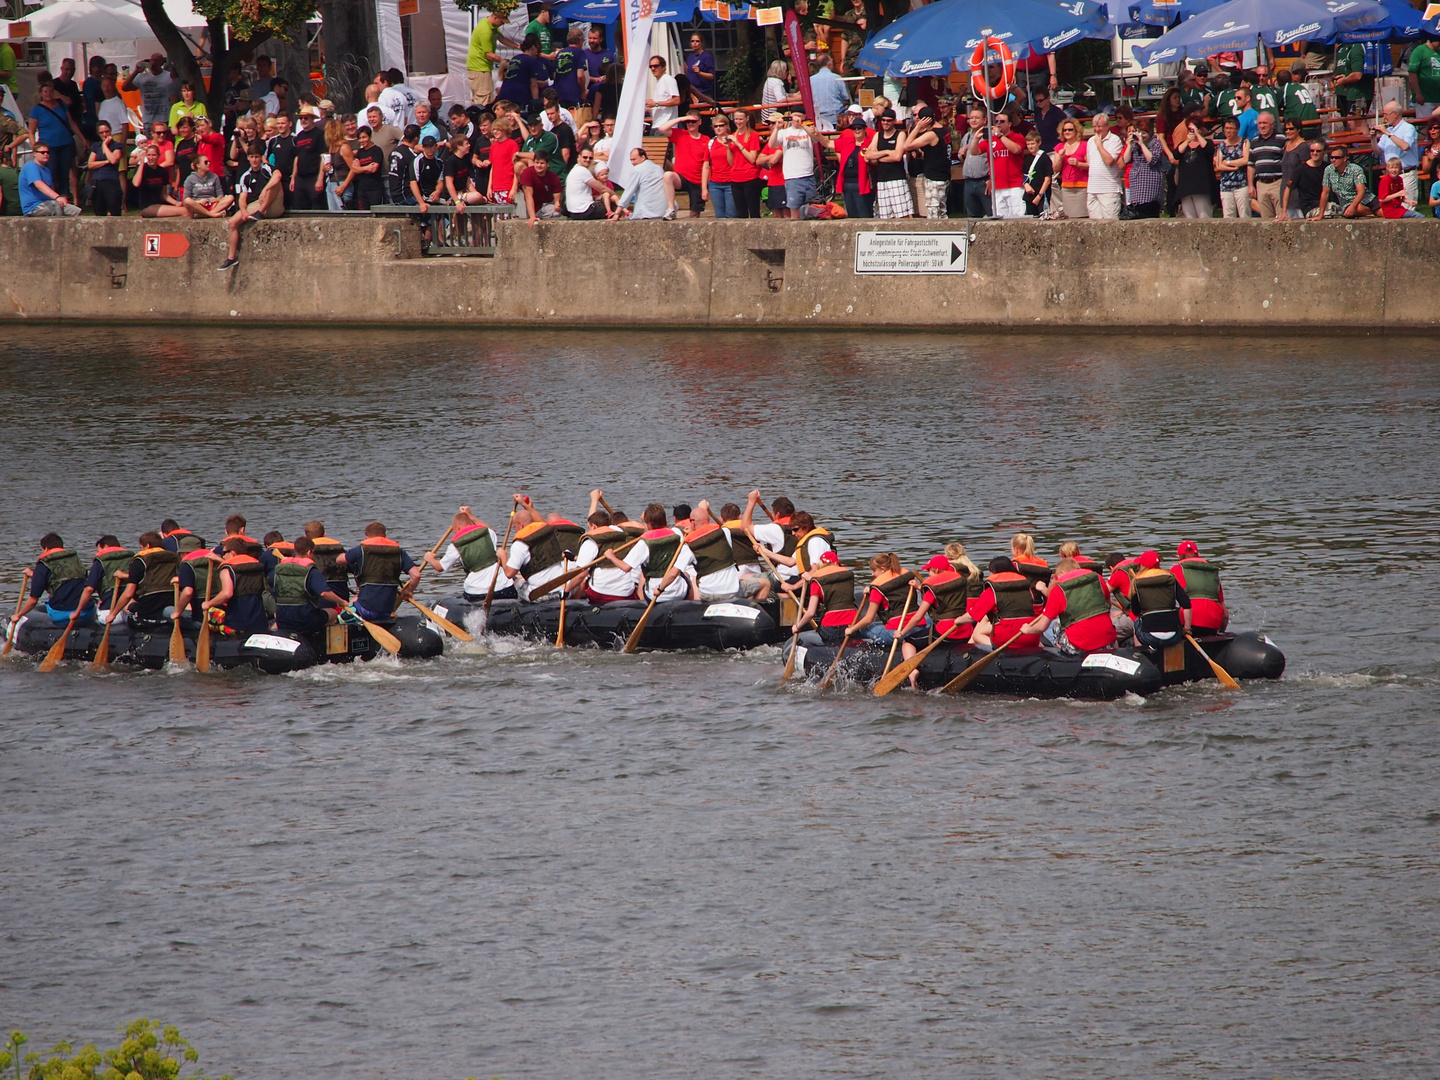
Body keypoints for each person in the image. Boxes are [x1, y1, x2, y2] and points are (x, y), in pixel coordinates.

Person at [1020, 557, 1116, 654]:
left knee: (1054, 625)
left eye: (1056, 578)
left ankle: (1056, 647)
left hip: (1081, 647)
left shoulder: (1059, 589)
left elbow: (1042, 627)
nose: (1057, 581)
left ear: (1062, 572)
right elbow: (1108, 606)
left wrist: (1028, 629)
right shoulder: (1097, 579)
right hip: (1108, 641)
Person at [603, 503, 693, 602]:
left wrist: (611, 556)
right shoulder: (677, 534)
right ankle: (692, 604)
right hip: (679, 592)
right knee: (686, 575)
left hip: (655, 594)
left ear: (649, 524)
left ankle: (641, 604)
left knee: (643, 575)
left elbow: (626, 567)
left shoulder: (644, 543)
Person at [335, 522, 420, 621]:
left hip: (365, 609)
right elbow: (416, 575)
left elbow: (339, 560)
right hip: (387, 609)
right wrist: (409, 590)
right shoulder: (400, 552)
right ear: (385, 536)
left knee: (341, 617)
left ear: (366, 537)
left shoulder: (361, 550)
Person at [221, 145, 284, 270]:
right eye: (251, 157)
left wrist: (265, 190)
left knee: (274, 183)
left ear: (261, 158)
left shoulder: (268, 168)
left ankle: (260, 212)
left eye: (256, 157)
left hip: (274, 204)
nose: (254, 160)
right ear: (248, 158)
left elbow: (278, 176)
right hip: (258, 204)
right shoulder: (245, 176)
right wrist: (243, 211)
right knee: (232, 222)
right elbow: (242, 198)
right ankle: (231, 258)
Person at [14, 533, 95, 627]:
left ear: (46, 549)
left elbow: (33, 600)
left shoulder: (44, 564)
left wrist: (18, 615)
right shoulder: (75, 560)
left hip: (62, 614)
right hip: (86, 612)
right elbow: (65, 579)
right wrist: (34, 575)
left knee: (48, 602)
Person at [963, 557, 1042, 651]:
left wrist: (958, 621)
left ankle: (996, 650)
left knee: (977, 633)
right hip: (1030, 635)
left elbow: (973, 615)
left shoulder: (993, 590)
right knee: (987, 617)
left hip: (1005, 638)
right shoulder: (1026, 587)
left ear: (995, 572)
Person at [841, 553, 919, 647]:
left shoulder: (877, 588)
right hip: (919, 626)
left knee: (863, 628)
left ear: (882, 569)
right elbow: (893, 589)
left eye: (874, 570)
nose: (872, 574)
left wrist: (851, 629)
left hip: (897, 632)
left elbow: (868, 619)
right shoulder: (907, 577)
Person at [271, 536, 346, 633]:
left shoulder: (279, 570)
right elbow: (324, 593)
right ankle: (318, 642)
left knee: (277, 623)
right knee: (333, 613)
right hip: (304, 619)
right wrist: (341, 602)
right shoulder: (311, 571)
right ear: (309, 552)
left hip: (282, 617)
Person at [107, 532, 182, 627]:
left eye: (141, 547)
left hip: (148, 610)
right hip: (170, 602)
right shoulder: (175, 558)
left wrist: (113, 614)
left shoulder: (139, 561)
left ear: (147, 546)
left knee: (126, 601)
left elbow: (129, 593)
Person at [199, 537, 270, 634]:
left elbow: (227, 594)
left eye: (224, 553)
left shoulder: (227, 569)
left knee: (209, 611)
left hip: (236, 626)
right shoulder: (257, 565)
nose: (223, 556)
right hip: (260, 622)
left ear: (232, 552)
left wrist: (208, 603)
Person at [29, 82, 85, 202]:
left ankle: (66, 197)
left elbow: (71, 123)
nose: (48, 94)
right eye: (45, 92)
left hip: (65, 143)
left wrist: (83, 139)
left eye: (50, 91)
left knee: (65, 172)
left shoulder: (61, 105)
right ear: (41, 94)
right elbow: (31, 131)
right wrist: (35, 147)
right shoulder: (37, 110)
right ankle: (53, 198)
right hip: (49, 146)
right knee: (51, 171)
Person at [789, 550, 856, 645]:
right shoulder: (849, 576)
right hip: (852, 624)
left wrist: (797, 626)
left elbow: (811, 613)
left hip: (831, 627)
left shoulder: (817, 581)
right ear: (836, 563)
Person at [660, 111, 713, 217]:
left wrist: (704, 188)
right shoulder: (680, 134)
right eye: (688, 122)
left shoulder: (706, 140)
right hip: (681, 177)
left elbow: (706, 165)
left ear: (699, 122)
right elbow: (662, 128)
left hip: (697, 180)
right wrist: (681, 119)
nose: (690, 124)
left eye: (693, 121)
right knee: (667, 175)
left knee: (694, 214)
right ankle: (671, 208)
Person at [974, 111, 1025, 219]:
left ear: (1009, 124)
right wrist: (976, 138)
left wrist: (1001, 136)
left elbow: (1016, 150)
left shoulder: (1017, 137)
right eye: (996, 121)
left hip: (1014, 185)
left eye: (1002, 121)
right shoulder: (990, 140)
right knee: (999, 218)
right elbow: (974, 152)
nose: (998, 124)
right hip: (996, 186)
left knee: (1018, 216)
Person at [1170, 541, 1227, 634]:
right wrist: (1221, 632)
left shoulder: (1176, 569)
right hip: (1214, 623)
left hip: (1190, 622)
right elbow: (1225, 615)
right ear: (1198, 555)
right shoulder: (1213, 573)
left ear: (1179, 557)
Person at [865, 109, 912, 219]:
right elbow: (868, 156)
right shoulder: (878, 135)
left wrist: (878, 156)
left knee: (902, 214)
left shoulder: (900, 134)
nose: (885, 123)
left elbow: (897, 157)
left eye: (889, 121)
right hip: (881, 180)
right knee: (885, 216)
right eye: (883, 120)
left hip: (897, 179)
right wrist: (886, 152)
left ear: (894, 121)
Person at [1374, 101, 1420, 205]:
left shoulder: (1408, 128)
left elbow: (1405, 146)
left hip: (1406, 174)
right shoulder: (1389, 130)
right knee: (1393, 208)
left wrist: (1388, 133)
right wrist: (1372, 139)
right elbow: (1378, 151)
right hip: (1391, 176)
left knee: (1407, 207)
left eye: (1386, 114)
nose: (1384, 117)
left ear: (1395, 114)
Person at [467, 9, 515, 106]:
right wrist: (503, 61)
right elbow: (489, 54)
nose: (502, 24)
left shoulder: (492, 26)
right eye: (501, 22)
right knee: (484, 100)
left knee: (486, 97)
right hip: (480, 69)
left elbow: (502, 39)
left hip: (482, 69)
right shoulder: (486, 31)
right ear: (495, 18)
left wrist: (518, 46)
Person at [1123, 117, 1167, 218]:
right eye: (1140, 133)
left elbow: (1151, 160)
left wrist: (1142, 144)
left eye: (1144, 133)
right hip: (1136, 182)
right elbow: (1125, 160)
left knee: (1149, 211)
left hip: (1151, 180)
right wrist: (1129, 145)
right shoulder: (1134, 144)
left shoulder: (1155, 143)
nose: (1142, 136)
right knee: (1137, 211)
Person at [1084, 112, 1126, 220]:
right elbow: (1090, 163)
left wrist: (1099, 145)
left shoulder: (1114, 140)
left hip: (1109, 189)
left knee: (1110, 223)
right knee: (1094, 224)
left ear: (1107, 126)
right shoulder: (1090, 141)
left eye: (1099, 126)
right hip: (1092, 189)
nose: (1097, 129)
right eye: (1094, 127)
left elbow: (1109, 161)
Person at [611, 147, 672, 220]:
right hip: (664, 211)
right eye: (631, 160)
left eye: (634, 159)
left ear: (643, 157)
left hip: (647, 213)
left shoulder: (637, 169)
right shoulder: (659, 168)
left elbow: (628, 192)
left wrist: (617, 213)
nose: (632, 163)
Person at [19, 146, 81, 217]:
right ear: (35, 154)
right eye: (42, 152)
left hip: (48, 203)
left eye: (48, 152)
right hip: (34, 207)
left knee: (76, 211)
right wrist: (57, 197)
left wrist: (59, 200)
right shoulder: (31, 166)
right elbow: (39, 185)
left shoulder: (47, 170)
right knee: (62, 210)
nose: (46, 154)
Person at [1318, 144, 1376, 218]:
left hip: (1367, 199)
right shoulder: (1328, 170)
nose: (1333, 160)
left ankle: (1373, 213)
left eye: (1336, 158)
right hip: (1348, 203)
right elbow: (1325, 193)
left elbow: (1361, 192)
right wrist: (1320, 215)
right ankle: (1372, 213)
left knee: (1383, 212)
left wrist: (1353, 206)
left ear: (1345, 158)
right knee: (1358, 209)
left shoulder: (1355, 169)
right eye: (1332, 158)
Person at [834, 114, 875, 219]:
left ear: (865, 129)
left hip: (863, 184)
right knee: (852, 215)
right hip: (847, 184)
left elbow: (875, 161)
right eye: (854, 128)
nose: (857, 130)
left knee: (864, 214)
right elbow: (830, 145)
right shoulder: (848, 142)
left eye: (859, 128)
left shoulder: (870, 143)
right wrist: (815, 134)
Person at [82, 535, 135, 614]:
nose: (98, 553)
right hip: (131, 609)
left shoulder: (99, 562)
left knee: (94, 604)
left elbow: (89, 589)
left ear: (106, 546)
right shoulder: (133, 559)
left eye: (98, 550)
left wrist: (78, 611)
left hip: (109, 610)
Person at [124, 53, 178, 131]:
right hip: (148, 121)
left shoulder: (169, 76)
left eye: (157, 60)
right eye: (152, 60)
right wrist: (136, 71)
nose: (154, 62)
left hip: (165, 119)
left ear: (162, 62)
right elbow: (125, 87)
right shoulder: (142, 77)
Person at [1247, 110, 1285, 219]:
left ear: (1272, 124)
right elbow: (1251, 165)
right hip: (1261, 184)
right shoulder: (1254, 142)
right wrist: (1250, 185)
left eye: (1265, 123)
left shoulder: (1281, 139)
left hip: (1277, 182)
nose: (1262, 126)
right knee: (1266, 219)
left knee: (1281, 217)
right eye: (1260, 123)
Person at [1174, 120, 1214, 218]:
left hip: (1201, 187)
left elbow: (1209, 150)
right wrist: (1188, 140)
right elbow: (1176, 154)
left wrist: (1198, 134)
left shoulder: (1207, 143)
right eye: (1190, 129)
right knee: (1189, 217)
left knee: (1204, 215)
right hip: (1186, 188)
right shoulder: (1184, 145)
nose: (1192, 131)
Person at [84, 121, 125, 216]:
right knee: (99, 211)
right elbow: (90, 164)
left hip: (111, 181)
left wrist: (105, 146)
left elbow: (114, 160)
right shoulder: (95, 146)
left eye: (107, 131)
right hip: (97, 182)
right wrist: (106, 162)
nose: (105, 134)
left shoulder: (116, 145)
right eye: (102, 132)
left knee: (114, 210)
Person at [1051, 118, 1088, 219]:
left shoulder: (1084, 145)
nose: (1067, 132)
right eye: (1065, 130)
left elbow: (1090, 165)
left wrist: (1078, 164)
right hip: (1066, 187)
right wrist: (1060, 158)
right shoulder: (1059, 147)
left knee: (1083, 216)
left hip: (1082, 187)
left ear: (1076, 130)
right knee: (1069, 217)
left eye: (1070, 129)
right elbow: (1056, 169)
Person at [1214, 116, 1250, 218]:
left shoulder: (1244, 142)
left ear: (1237, 130)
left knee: (1244, 214)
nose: (1228, 131)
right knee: (1228, 216)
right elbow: (1219, 165)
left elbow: (1245, 160)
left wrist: (1228, 162)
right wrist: (1233, 167)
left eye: (1231, 128)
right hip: (1226, 185)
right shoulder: (1221, 145)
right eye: (1226, 128)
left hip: (1241, 184)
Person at [291, 106, 326, 210]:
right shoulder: (299, 136)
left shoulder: (319, 134)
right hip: (300, 178)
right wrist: (293, 178)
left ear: (312, 119)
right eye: (301, 118)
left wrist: (320, 179)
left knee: (317, 207)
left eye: (306, 118)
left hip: (314, 176)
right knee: (300, 207)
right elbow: (297, 157)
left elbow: (324, 157)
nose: (303, 120)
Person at [1332, 42, 1373, 127]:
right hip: (1355, 93)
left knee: (1358, 124)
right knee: (1351, 122)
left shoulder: (1356, 50)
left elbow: (1357, 75)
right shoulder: (1355, 48)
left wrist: (1344, 80)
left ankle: (1364, 139)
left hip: (1358, 94)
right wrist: (1345, 76)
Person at [565, 146, 613, 218]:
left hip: (573, 212)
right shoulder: (583, 171)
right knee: (610, 203)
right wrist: (616, 196)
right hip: (584, 211)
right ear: (579, 157)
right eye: (585, 157)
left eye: (590, 158)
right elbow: (603, 189)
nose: (588, 160)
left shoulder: (574, 169)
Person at [181, 151, 232, 217]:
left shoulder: (214, 177)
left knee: (230, 197)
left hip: (212, 204)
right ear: (198, 165)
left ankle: (207, 214)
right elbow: (185, 200)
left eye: (209, 162)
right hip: (198, 205)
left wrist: (216, 199)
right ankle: (210, 214)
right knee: (188, 201)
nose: (208, 164)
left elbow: (220, 195)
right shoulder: (190, 179)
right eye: (206, 162)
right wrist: (198, 202)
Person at [809, 53, 849, 132]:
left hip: (818, 119)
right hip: (836, 119)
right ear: (829, 64)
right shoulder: (837, 78)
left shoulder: (810, 80)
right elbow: (846, 98)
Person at [519, 152, 563, 224]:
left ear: (547, 164)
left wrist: (557, 204)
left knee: (556, 212)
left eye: (542, 163)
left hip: (547, 205)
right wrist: (532, 217)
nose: (539, 165)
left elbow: (557, 198)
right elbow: (528, 196)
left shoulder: (553, 177)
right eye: (537, 163)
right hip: (534, 207)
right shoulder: (527, 173)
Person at [1408, 35, 1440, 117]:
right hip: (1425, 99)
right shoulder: (1420, 51)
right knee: (1425, 124)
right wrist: (1418, 93)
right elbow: (1412, 73)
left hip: (1438, 97)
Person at [760, 60, 798, 124]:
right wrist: (797, 99)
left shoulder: (770, 80)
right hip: (773, 118)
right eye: (786, 71)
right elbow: (781, 99)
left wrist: (797, 95)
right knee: (794, 118)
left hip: (766, 117)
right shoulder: (777, 83)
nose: (787, 73)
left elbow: (785, 95)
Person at [685, 33, 716, 98]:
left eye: (697, 41)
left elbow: (711, 76)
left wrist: (700, 73)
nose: (695, 43)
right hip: (692, 93)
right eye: (692, 41)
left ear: (702, 43)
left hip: (704, 93)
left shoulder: (706, 57)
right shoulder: (690, 57)